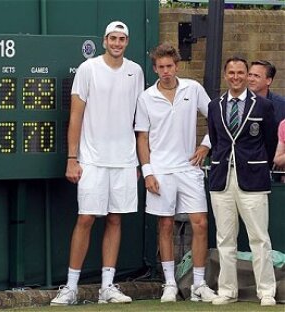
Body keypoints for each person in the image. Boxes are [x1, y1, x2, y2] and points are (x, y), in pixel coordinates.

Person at [50, 21, 144, 306]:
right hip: (91, 159)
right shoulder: (88, 69)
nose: (117, 43)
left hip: (125, 160)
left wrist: (140, 161)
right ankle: (71, 287)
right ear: (104, 40)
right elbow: (76, 116)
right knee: (86, 218)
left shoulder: (136, 71)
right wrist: (72, 158)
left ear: (127, 42)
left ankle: (107, 287)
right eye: (113, 38)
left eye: (122, 39)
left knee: (116, 218)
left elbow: (140, 119)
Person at [135, 43, 217, 303]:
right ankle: (170, 283)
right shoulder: (146, 97)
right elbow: (142, 137)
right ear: (155, 69)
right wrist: (148, 171)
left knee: (200, 223)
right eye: (161, 67)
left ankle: (199, 284)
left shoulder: (192, 89)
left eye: (169, 66)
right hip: (160, 170)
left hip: (188, 168)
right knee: (166, 224)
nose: (166, 71)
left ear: (177, 66)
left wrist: (205, 146)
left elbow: (216, 118)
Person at [207, 56, 277, 306]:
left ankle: (266, 291)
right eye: (231, 72)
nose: (236, 77)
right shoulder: (215, 105)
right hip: (222, 178)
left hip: (254, 179)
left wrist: (258, 165)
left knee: (259, 237)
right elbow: (216, 141)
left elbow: (270, 142)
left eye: (241, 73)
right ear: (225, 75)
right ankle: (227, 290)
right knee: (225, 238)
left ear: (247, 75)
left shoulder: (264, 106)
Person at [248, 60, 285, 124]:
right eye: (250, 75)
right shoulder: (240, 102)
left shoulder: (281, 106)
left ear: (268, 81)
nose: (251, 79)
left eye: (256, 76)